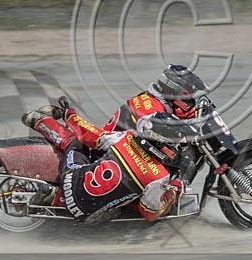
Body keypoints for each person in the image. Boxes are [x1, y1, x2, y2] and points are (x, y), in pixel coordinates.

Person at [21, 95, 192, 223]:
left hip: (72, 182)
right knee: (134, 200)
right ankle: (56, 198)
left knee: (74, 144)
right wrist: (175, 189)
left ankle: (39, 121)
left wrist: (69, 114)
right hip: (85, 213)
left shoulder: (125, 139)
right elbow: (150, 213)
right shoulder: (159, 176)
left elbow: (87, 133)